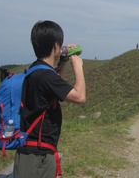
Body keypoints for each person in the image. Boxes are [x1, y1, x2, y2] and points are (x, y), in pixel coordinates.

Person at [13, 20, 86, 178]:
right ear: (55, 46)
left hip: (32, 152)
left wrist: (63, 60)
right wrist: (78, 67)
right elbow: (80, 97)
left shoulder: (36, 70)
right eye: (60, 45)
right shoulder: (45, 76)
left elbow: (53, 82)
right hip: (37, 157)